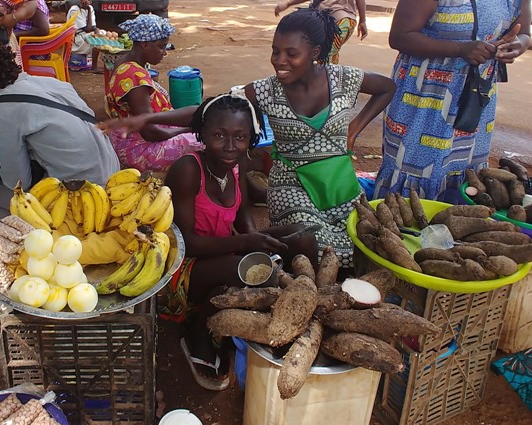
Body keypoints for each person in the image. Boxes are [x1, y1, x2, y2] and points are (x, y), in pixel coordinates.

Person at [103, 7, 394, 267]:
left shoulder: (344, 78)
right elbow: (211, 108)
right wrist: (148, 117)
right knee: (319, 246)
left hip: (339, 183)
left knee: (370, 244)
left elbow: (387, 88)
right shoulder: (267, 90)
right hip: (292, 185)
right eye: (275, 51)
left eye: (291, 53)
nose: (279, 61)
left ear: (316, 53)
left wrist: (354, 129)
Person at [161, 92, 318, 391]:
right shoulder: (187, 171)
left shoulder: (238, 165)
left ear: (251, 138)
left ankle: (306, 316)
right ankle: (198, 329)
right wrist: (248, 243)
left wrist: (254, 239)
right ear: (203, 133)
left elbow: (242, 214)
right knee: (251, 272)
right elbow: (186, 244)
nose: (230, 146)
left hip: (229, 247)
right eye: (219, 135)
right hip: (188, 268)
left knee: (304, 237)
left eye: (240, 137)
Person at [373, 0, 530, 203]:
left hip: (476, 96)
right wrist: (459, 49)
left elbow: (524, 33)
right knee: (415, 166)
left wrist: (518, 46)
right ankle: (399, 227)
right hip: (425, 96)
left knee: (462, 166)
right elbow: (400, 36)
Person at [0, 43, 119, 222]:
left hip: (85, 194)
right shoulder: (52, 82)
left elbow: (17, 182)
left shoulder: (0, 111)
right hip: (113, 176)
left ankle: (23, 242)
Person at [105, 13, 203, 172]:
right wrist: (186, 130)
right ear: (144, 44)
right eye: (161, 46)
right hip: (138, 149)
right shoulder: (134, 76)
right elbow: (150, 133)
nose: (164, 52)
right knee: (207, 143)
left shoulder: (125, 62)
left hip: (125, 139)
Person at [274, 0, 367, 64]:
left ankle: (329, 85)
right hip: (329, 20)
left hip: (341, 20)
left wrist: (362, 21)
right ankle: (325, 82)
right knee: (320, 53)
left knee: (327, 55)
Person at [66, 0, 100, 72]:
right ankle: (94, 67)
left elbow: (93, 26)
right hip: (76, 39)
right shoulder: (74, 9)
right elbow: (87, 29)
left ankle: (92, 64)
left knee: (102, 34)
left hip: (84, 35)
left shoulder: (90, 8)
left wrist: (97, 30)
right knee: (93, 38)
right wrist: (89, 9)